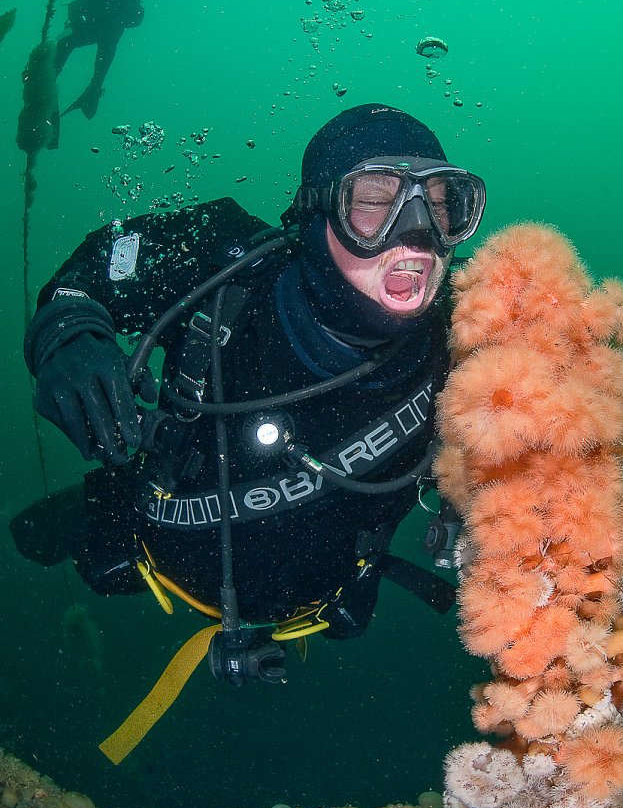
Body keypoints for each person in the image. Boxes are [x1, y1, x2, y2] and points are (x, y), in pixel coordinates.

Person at [13, 105, 486, 721]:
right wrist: (70, 330)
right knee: (30, 541)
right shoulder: (225, 259)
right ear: (317, 214)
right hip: (159, 540)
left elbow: (572, 455)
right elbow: (102, 265)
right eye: (373, 199)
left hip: (326, 597)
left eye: (445, 202)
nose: (415, 231)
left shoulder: (473, 331)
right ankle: (96, 506)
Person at [53, 0, 163, 127]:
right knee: (74, 46)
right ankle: (66, 83)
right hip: (99, 28)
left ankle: (83, 86)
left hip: (98, 28)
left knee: (71, 45)